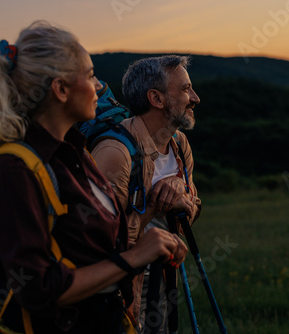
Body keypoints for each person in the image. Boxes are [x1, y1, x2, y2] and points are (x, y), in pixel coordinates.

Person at [0, 21, 188, 333]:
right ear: (60, 89)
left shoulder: (76, 153)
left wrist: (153, 245)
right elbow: (39, 289)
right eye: (90, 75)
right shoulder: (13, 170)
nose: (99, 87)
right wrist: (132, 259)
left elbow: (90, 249)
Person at [91, 55, 202, 333]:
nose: (195, 98)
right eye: (186, 89)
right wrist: (155, 204)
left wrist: (181, 194)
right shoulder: (115, 154)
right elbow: (101, 243)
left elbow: (193, 205)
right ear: (157, 98)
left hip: (164, 275)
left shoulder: (179, 144)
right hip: (120, 287)